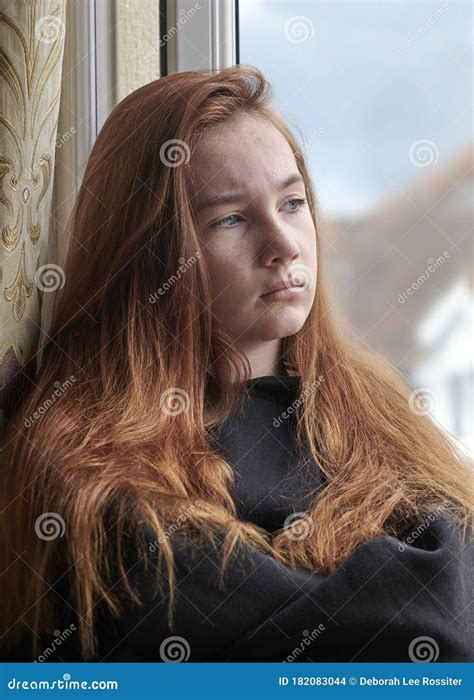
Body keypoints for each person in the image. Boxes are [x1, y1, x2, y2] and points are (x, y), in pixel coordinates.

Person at [0, 65, 472, 663]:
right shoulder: (89, 471)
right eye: (230, 219)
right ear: (150, 254)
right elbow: (420, 637)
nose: (284, 245)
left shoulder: (374, 409)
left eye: (293, 202)